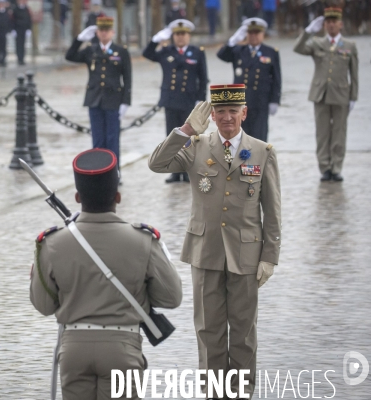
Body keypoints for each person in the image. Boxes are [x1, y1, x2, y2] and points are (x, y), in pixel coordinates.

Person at [148, 85, 281, 399]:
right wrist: (186, 129)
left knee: (244, 333)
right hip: (205, 252)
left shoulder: (262, 151)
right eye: (220, 112)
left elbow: (272, 210)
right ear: (212, 115)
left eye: (233, 111)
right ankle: (213, 393)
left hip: (246, 255)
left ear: (244, 113)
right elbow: (157, 163)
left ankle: (242, 392)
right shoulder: (196, 145)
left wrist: (270, 256)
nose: (226, 118)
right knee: (209, 331)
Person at [30, 148, 182, 400]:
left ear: (78, 196)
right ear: (118, 196)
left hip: (74, 351)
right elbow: (171, 298)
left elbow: (44, 305)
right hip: (122, 347)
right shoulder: (143, 240)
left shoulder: (52, 243)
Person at [293, 7, 358, 182]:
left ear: (340, 24)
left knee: (339, 133)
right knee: (322, 134)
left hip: (341, 95)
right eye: (327, 22)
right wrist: (307, 32)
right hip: (320, 94)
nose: (330, 25)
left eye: (333, 22)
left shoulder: (349, 46)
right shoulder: (317, 43)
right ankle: (325, 168)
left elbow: (355, 74)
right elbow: (298, 48)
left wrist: (353, 96)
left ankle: (336, 168)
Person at [143, 19, 207, 183]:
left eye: (183, 34)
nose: (180, 37)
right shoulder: (166, 51)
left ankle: (186, 170)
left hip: (188, 99)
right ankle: (173, 170)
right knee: (171, 136)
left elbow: (203, 77)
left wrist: (200, 99)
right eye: (177, 34)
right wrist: (155, 40)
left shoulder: (197, 52)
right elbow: (147, 54)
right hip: (171, 99)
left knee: (188, 137)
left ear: (188, 36)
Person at [65, 16, 132, 167]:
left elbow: (127, 78)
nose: (104, 33)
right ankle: (99, 173)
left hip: (113, 100)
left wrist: (126, 101)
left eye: (107, 31)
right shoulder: (90, 50)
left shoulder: (121, 51)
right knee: (97, 141)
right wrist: (79, 39)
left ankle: (114, 173)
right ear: (97, 32)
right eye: (101, 30)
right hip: (94, 99)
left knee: (112, 140)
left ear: (112, 32)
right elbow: (69, 56)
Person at [217, 18, 281, 143]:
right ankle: (240, 163)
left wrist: (275, 100)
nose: (253, 36)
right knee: (238, 139)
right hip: (240, 103)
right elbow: (221, 55)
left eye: (256, 33)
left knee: (259, 138)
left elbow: (276, 79)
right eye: (250, 33)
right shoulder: (239, 51)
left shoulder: (270, 52)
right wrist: (232, 41)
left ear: (262, 34)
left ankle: (257, 163)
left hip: (261, 102)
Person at [11, 0, 31, 66]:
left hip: (24, 29)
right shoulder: (15, 9)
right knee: (18, 44)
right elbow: (13, 20)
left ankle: (22, 58)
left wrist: (28, 29)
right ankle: (19, 58)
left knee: (23, 44)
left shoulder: (26, 9)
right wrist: (13, 29)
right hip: (17, 29)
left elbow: (28, 19)